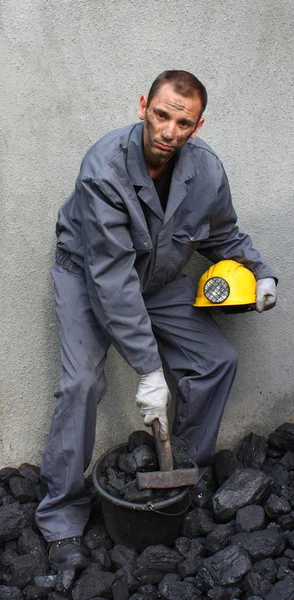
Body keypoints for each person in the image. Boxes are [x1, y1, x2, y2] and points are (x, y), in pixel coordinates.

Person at [36, 70, 277, 569]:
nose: (168, 130)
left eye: (182, 122)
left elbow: (222, 233)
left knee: (216, 359)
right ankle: (61, 520)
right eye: (162, 115)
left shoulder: (206, 169)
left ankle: (184, 472)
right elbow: (112, 279)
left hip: (160, 277)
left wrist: (262, 273)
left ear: (198, 125)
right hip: (90, 275)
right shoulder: (103, 167)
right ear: (144, 105)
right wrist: (148, 370)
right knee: (82, 382)